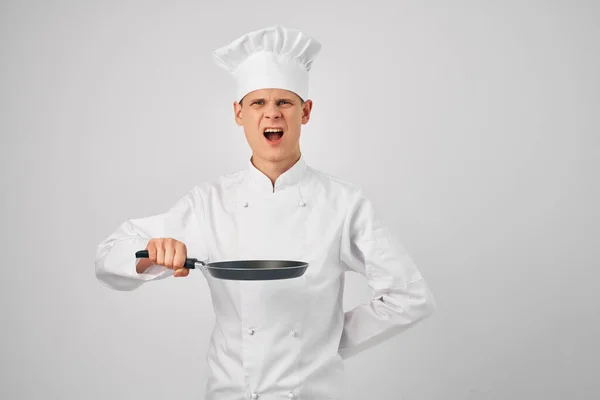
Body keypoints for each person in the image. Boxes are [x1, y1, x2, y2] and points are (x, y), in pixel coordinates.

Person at [95, 25, 436, 400]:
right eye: (258, 103)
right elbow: (110, 255)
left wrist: (325, 340)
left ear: (305, 112)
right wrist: (151, 256)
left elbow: (410, 296)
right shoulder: (209, 202)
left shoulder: (343, 202)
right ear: (238, 113)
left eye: (284, 103)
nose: (271, 114)